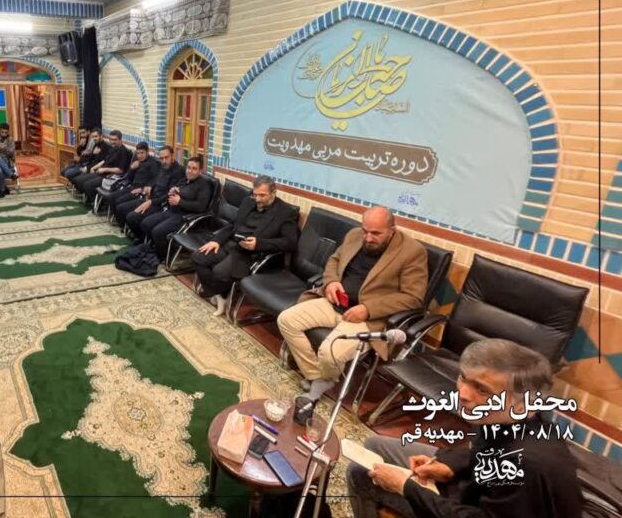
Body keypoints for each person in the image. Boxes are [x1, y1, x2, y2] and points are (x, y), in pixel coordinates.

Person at [346, 339, 583, 518]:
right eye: (463, 377)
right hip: (473, 487)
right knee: (375, 445)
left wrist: (405, 487)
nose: (462, 393)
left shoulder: (526, 464)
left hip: (478, 508)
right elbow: (481, 452)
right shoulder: (504, 418)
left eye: (482, 389)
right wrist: (449, 465)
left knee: (360, 474)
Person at [277, 206, 427, 407]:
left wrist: (368, 309)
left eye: (376, 233)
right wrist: (331, 282)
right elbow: (334, 260)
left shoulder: (412, 252)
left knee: (329, 352)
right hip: (336, 302)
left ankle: (322, 379)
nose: (368, 238)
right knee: (286, 320)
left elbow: (413, 297)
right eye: (365, 230)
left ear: (392, 230)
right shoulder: (354, 235)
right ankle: (318, 377)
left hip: (368, 317)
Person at [192, 175, 299, 316]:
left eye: (262, 195)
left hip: (251, 253)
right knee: (198, 256)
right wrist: (216, 240)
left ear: (273, 192)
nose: (257, 199)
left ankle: (220, 294)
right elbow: (233, 226)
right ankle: (219, 294)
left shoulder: (285, 212)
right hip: (232, 242)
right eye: (255, 194)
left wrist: (259, 244)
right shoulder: (248, 201)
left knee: (219, 272)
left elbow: (290, 243)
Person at [136, 155, 214, 259]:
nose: (190, 171)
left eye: (194, 169)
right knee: (146, 223)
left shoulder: (204, 185)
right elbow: (174, 194)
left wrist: (180, 202)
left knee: (158, 231)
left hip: (185, 217)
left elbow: (201, 207)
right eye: (188, 167)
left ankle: (162, 256)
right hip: (171, 211)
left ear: (200, 171)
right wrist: (172, 192)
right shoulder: (184, 180)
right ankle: (153, 247)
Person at [115, 145, 184, 230]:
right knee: (121, 208)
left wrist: (151, 201)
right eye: (161, 158)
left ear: (173, 156)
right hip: (149, 197)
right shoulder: (162, 167)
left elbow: (169, 195)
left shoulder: (179, 171)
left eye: (166, 157)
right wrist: (148, 188)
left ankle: (140, 236)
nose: (164, 161)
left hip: (160, 204)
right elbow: (155, 180)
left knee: (132, 217)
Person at [72, 130, 133, 204]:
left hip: (110, 177)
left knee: (87, 185)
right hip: (101, 173)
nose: (112, 142)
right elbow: (104, 161)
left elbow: (120, 170)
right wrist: (93, 168)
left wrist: (104, 169)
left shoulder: (124, 152)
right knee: (78, 180)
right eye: (111, 139)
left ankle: (99, 204)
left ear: (120, 140)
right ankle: (91, 200)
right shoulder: (113, 149)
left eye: (115, 140)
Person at [101, 141, 160, 215]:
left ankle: (121, 220)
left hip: (140, 191)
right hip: (131, 186)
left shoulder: (152, 163)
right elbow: (129, 178)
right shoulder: (137, 162)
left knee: (119, 202)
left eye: (142, 153)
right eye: (138, 153)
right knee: (111, 197)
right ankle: (117, 217)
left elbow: (155, 179)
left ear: (147, 152)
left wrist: (143, 188)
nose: (140, 156)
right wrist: (132, 168)